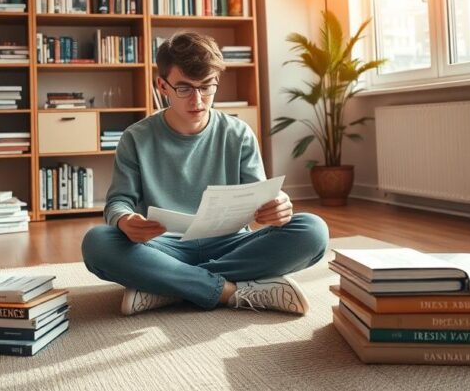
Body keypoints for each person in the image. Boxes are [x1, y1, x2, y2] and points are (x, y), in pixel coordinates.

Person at [81, 31, 329, 316]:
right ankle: (228, 292)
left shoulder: (238, 134)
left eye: (207, 87)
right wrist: (125, 220)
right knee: (97, 243)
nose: (197, 100)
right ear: (163, 86)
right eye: (184, 88)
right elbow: (118, 201)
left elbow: (261, 195)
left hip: (231, 245)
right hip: (163, 246)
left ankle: (166, 286)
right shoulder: (135, 138)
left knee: (313, 231)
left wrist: (279, 205)